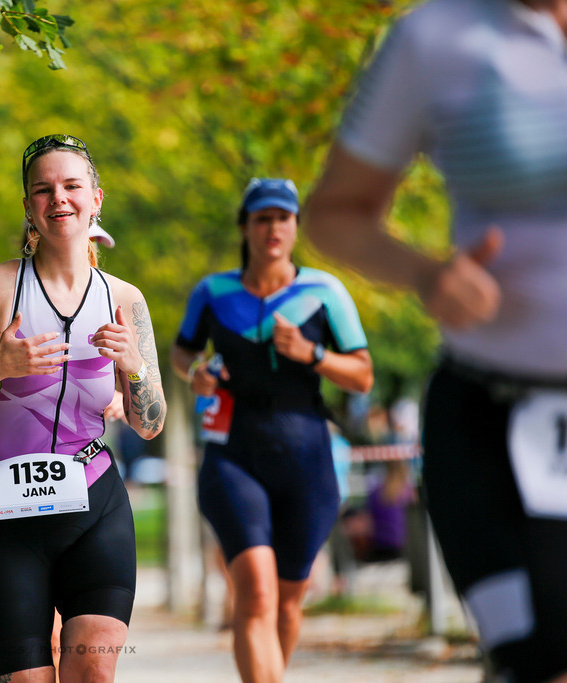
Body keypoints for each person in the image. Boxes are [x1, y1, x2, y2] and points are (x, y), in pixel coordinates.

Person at [302, 2, 567, 680]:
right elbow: (333, 213)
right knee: (538, 660)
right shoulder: (437, 38)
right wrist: (427, 274)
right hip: (494, 417)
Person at [0, 133, 165, 683]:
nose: (59, 198)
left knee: (93, 671)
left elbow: (151, 424)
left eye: (72, 186)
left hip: (95, 504)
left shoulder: (125, 299)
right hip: (5, 514)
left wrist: (134, 366)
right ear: (28, 205)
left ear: (95, 199)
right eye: (43, 189)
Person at [171, 178, 373, 682]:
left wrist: (312, 353)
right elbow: (182, 352)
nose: (273, 228)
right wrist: (196, 375)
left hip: (307, 459)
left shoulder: (324, 292)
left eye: (284, 218)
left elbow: (362, 375)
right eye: (262, 218)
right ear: (245, 227)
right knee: (255, 593)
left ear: (296, 226)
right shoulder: (213, 292)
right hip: (234, 456)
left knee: (285, 603)